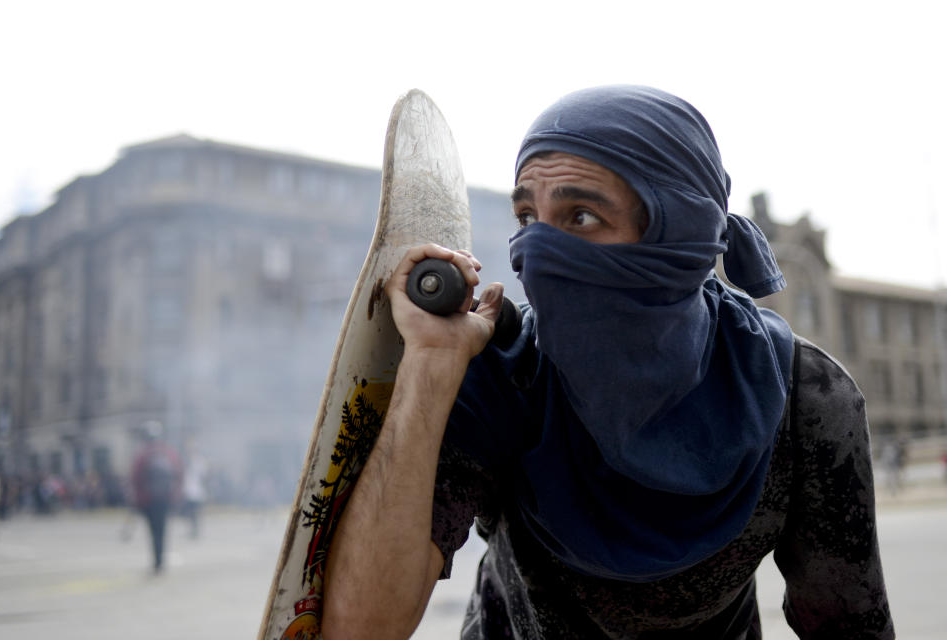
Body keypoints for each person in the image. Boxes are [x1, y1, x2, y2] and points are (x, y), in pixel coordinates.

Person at [322, 86, 894, 639]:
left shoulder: (799, 397)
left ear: (680, 231)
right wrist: (429, 368)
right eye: (528, 219)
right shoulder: (506, 372)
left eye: (582, 217)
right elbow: (361, 628)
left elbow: (849, 624)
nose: (538, 256)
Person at [131, 420, 182, 572]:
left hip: (149, 500)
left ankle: (157, 561)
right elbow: (179, 474)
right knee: (163, 530)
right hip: (165, 498)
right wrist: (175, 496)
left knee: (154, 532)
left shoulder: (143, 454)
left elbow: (135, 478)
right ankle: (161, 559)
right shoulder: (169, 452)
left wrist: (139, 499)